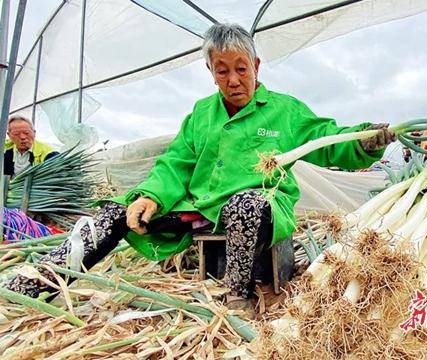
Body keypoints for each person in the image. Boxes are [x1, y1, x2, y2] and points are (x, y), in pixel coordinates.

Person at [4, 24, 396, 313]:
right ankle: (35, 283)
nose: (233, 80)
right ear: (210, 71)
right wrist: (151, 196)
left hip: (257, 210)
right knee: (112, 214)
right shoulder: (200, 115)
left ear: (257, 65)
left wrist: (362, 140)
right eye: (222, 71)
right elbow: (175, 163)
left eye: (241, 69)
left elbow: (327, 140)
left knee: (245, 204)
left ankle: (238, 295)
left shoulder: (285, 110)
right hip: (198, 209)